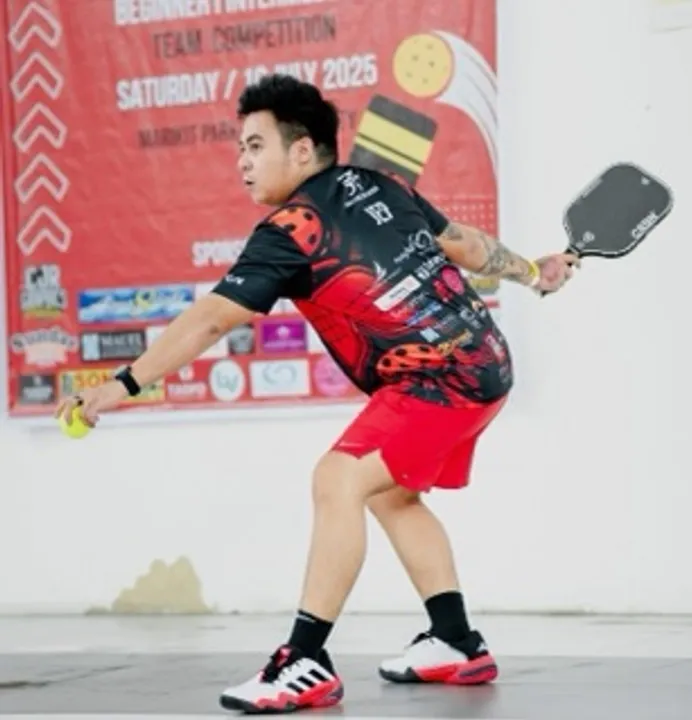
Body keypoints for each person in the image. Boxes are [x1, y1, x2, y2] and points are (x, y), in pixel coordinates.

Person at [56, 74, 578, 714]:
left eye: (255, 146)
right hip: (485, 360)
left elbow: (212, 320)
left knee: (338, 479)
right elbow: (464, 245)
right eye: (240, 149)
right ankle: (456, 641)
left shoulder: (291, 229)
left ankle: (305, 660)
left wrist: (122, 383)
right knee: (389, 495)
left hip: (442, 378)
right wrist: (532, 272)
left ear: (302, 150)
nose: (243, 163)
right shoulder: (381, 185)